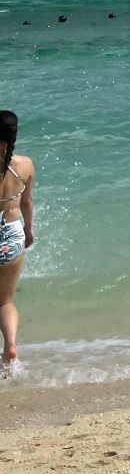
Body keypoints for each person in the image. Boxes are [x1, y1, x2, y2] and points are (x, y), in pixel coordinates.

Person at [0, 110, 35, 376]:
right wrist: (29, 230)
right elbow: (27, 203)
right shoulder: (25, 165)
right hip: (12, 234)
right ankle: (10, 346)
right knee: (5, 301)